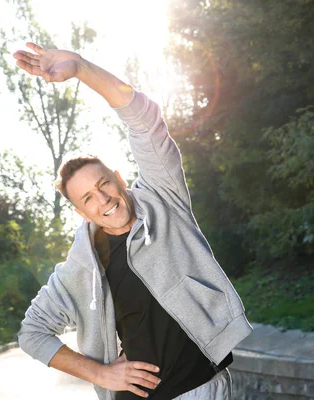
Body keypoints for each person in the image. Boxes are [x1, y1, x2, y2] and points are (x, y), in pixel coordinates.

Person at [13, 42, 253, 400]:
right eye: (88, 199)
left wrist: (80, 68)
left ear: (120, 178)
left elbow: (144, 119)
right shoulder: (81, 268)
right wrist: (100, 374)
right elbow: (32, 333)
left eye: (104, 184)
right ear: (81, 213)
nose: (104, 200)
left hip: (204, 388)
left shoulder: (162, 198)